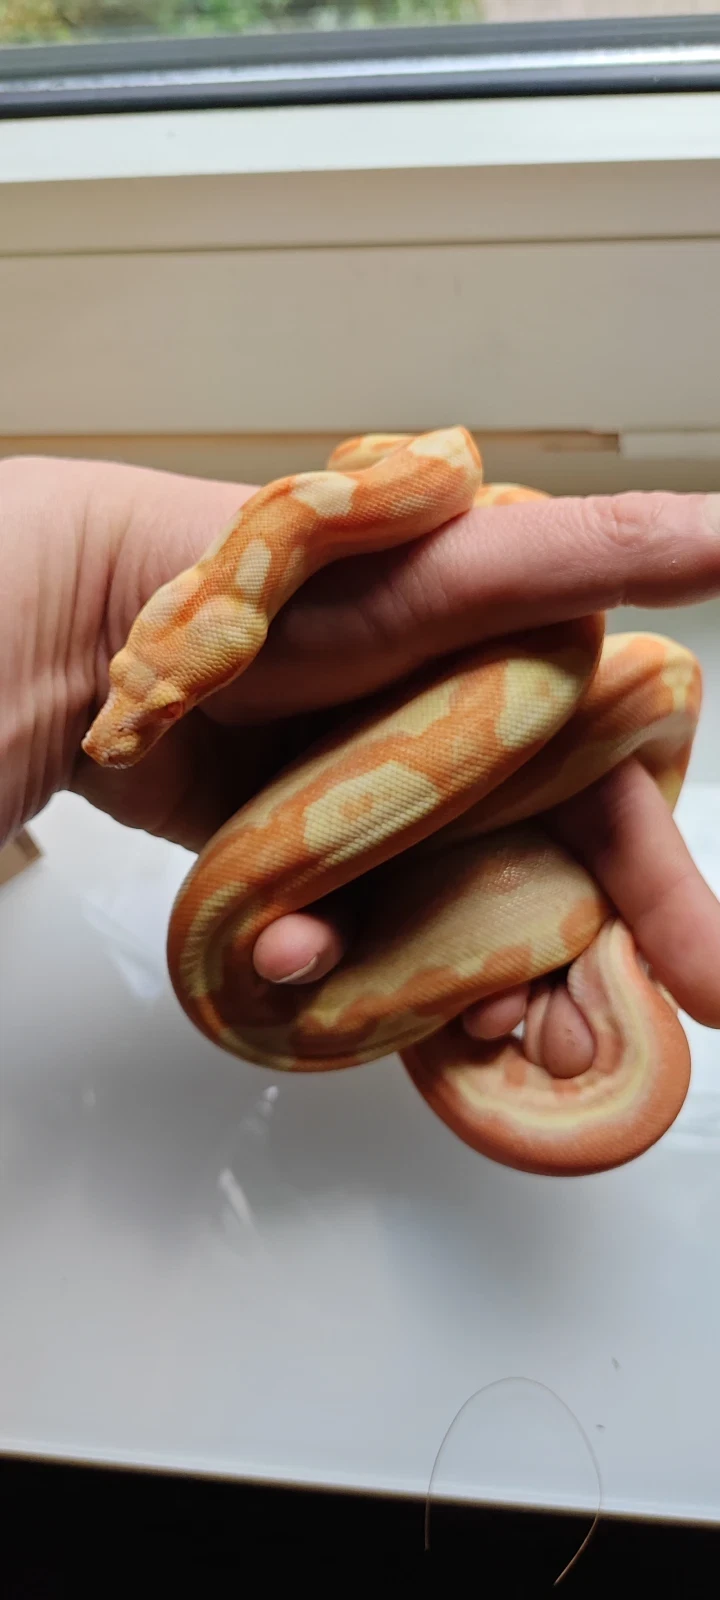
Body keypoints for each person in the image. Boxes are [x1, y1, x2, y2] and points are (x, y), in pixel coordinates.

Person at [3, 452, 720, 1069]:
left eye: (167, 708)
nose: (109, 741)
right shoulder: (228, 607)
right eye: (128, 680)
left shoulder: (358, 513)